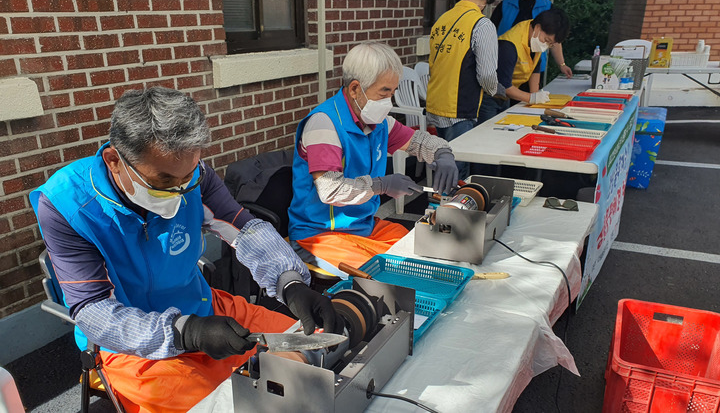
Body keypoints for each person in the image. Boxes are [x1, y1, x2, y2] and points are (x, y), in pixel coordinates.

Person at [30, 87, 342, 412]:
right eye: (164, 181)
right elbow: (93, 310)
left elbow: (242, 227)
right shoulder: (67, 206)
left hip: (203, 306)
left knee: (312, 342)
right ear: (115, 161)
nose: (181, 193)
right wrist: (184, 331)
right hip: (129, 343)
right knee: (226, 405)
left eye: (188, 177)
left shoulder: (193, 174)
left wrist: (289, 282)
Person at [288, 42, 459, 269]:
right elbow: (331, 190)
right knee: (386, 270)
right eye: (384, 92)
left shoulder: (378, 122)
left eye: (394, 91)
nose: (390, 101)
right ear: (355, 89)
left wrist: (443, 153)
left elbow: (419, 142)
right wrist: (382, 185)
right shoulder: (324, 124)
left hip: (363, 225)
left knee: (418, 247)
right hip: (319, 234)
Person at [425, 0, 502, 180]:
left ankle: (437, 203)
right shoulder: (482, 25)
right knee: (456, 170)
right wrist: (494, 91)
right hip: (459, 106)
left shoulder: (442, 20)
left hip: (436, 101)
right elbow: (487, 75)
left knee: (443, 164)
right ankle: (449, 206)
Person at [485, 8, 570, 117]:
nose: (546, 46)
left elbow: (535, 67)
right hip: (488, 98)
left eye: (551, 44)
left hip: (505, 97)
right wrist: (531, 98)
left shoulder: (534, 36)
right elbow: (504, 86)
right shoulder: (509, 46)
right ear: (538, 27)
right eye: (547, 40)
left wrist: (536, 95)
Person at [491, 0, 573, 79]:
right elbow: (490, 33)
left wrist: (562, 64)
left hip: (535, 66)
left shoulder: (548, 6)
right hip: (504, 63)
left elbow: (554, 39)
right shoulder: (505, 4)